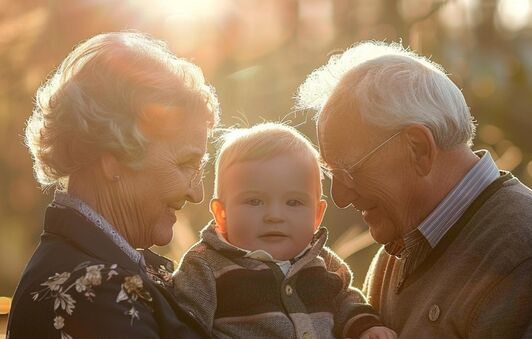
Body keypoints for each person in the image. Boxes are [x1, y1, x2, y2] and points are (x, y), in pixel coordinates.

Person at [295, 41, 532, 338]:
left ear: (418, 148)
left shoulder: (531, 253)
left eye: (349, 171)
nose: (339, 197)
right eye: (330, 173)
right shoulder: (402, 247)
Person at [8, 32, 219, 338]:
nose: (197, 193)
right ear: (115, 158)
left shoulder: (97, 267)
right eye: (186, 164)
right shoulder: (94, 292)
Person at [173, 123, 397, 339]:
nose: (275, 216)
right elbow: (186, 325)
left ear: (317, 216)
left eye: (293, 202)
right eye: (254, 201)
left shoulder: (323, 263)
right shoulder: (205, 266)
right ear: (222, 214)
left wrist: (366, 328)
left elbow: (347, 301)